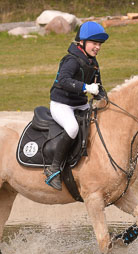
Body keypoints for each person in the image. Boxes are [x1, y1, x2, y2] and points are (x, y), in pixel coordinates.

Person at [44, 21, 109, 190]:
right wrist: (86, 87)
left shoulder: (93, 63)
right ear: (82, 42)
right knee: (72, 128)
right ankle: (54, 168)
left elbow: (98, 87)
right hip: (61, 104)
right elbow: (63, 80)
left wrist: (105, 99)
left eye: (99, 44)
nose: (98, 47)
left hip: (80, 105)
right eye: (94, 43)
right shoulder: (71, 60)